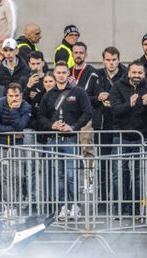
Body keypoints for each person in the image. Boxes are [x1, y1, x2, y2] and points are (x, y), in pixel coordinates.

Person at [37, 61, 93, 219]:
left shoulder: (78, 92)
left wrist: (73, 127)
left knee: (71, 175)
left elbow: (87, 113)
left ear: (68, 75)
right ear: (54, 74)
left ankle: (75, 205)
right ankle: (62, 206)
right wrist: (51, 125)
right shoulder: (48, 95)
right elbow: (40, 115)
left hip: (70, 140)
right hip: (53, 140)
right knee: (58, 175)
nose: (61, 75)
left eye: (64, 72)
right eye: (58, 72)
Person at [110, 61, 147, 214]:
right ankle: (120, 205)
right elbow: (115, 110)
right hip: (121, 136)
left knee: (140, 174)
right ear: (129, 73)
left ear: (144, 75)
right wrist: (128, 105)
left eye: (140, 73)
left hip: (141, 136)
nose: (137, 76)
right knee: (120, 173)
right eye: (134, 72)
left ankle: (137, 206)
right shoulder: (118, 86)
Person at [91, 46, 127, 208]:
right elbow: (85, 97)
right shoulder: (96, 75)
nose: (111, 63)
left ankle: (124, 201)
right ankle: (103, 201)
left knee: (122, 166)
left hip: (121, 124)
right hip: (103, 124)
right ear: (103, 61)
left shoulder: (126, 74)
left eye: (114, 60)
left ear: (119, 60)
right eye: (108, 60)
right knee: (104, 164)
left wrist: (115, 98)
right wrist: (97, 97)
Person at [0, 82, 31, 206]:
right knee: (5, 178)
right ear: (7, 95)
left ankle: (17, 203)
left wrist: (13, 110)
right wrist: (13, 132)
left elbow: (21, 126)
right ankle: (9, 205)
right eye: (11, 96)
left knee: (19, 176)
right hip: (0, 146)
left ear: (21, 95)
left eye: (17, 96)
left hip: (17, 146)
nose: (14, 99)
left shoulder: (25, 106)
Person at [20, 51, 47, 130]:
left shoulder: (49, 79)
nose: (36, 66)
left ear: (43, 63)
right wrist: (28, 86)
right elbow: (18, 99)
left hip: (45, 120)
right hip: (28, 122)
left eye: (38, 63)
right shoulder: (24, 80)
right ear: (29, 64)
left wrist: (40, 94)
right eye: (33, 64)